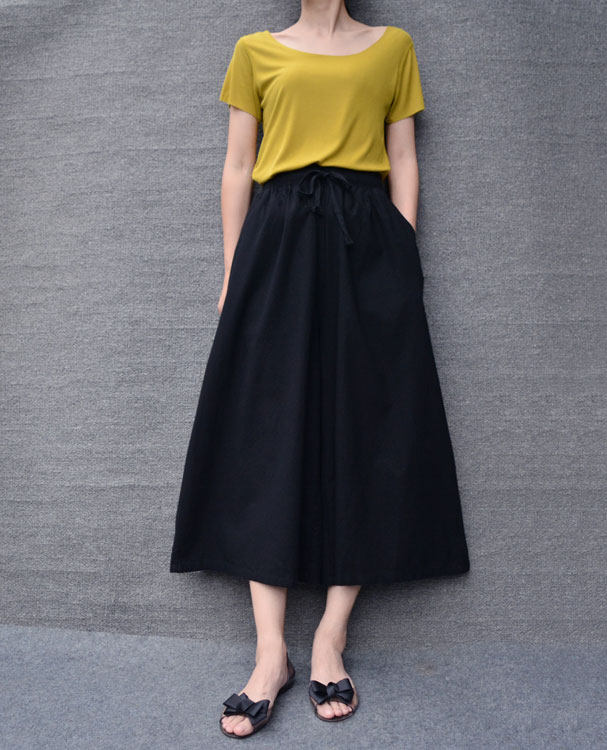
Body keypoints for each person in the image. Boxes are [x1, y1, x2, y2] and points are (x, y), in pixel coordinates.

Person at [169, 2, 471, 739]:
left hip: (367, 243)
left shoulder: (394, 48)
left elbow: (404, 158)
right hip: (275, 243)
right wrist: (234, 271)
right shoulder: (255, 51)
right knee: (264, 434)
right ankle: (270, 653)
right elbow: (238, 166)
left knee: (366, 431)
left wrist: (401, 258)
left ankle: (331, 636)